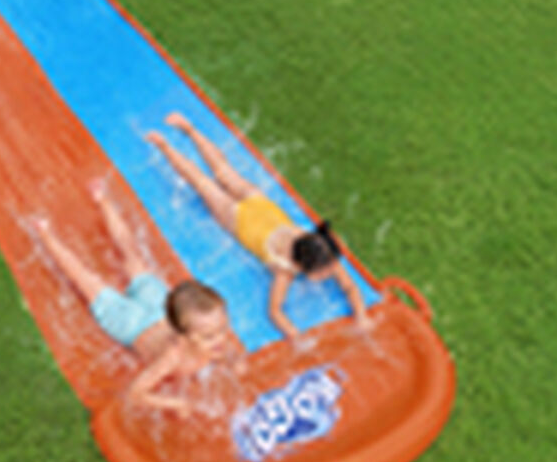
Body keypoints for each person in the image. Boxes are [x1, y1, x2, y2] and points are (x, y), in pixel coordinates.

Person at [146, 112, 370, 340]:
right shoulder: (284, 272)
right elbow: (274, 311)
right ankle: (165, 146)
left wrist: (361, 316)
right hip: (236, 219)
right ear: (306, 268)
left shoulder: (319, 247)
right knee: (203, 183)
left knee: (223, 171)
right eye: (326, 271)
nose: (333, 272)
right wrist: (297, 336)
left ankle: (189, 129)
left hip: (258, 202)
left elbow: (351, 287)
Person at [33, 182, 243, 416]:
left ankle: (102, 200)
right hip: (133, 325)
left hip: (158, 306)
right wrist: (175, 404)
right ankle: (45, 234)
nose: (220, 340)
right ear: (182, 337)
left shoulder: (210, 337)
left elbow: (223, 346)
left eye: (223, 329)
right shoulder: (172, 357)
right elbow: (135, 394)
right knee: (87, 281)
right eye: (209, 336)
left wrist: (233, 360)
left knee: (133, 254)